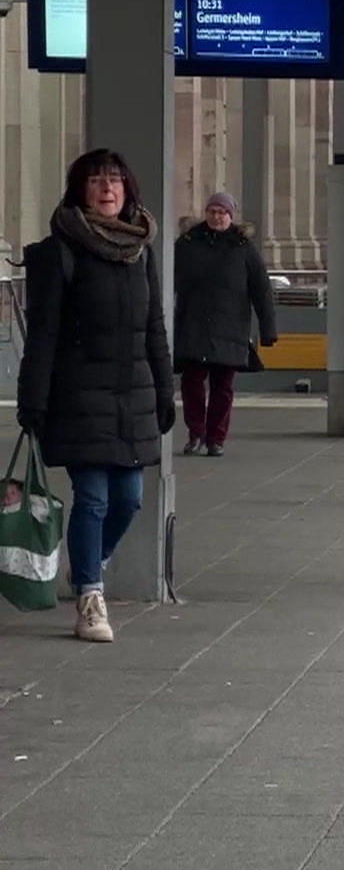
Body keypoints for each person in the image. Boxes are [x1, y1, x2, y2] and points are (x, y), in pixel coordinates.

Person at [15, 149, 174, 642]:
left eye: (115, 181)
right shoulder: (58, 252)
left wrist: (166, 390)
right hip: (77, 393)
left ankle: (89, 562)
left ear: (128, 191)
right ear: (79, 191)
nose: (106, 189)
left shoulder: (141, 251)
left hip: (133, 394)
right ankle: (90, 595)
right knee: (95, 497)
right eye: (95, 181)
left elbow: (154, 327)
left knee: (130, 498)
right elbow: (43, 332)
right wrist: (33, 400)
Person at [173, 192, 277, 456]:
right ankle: (196, 433)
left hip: (230, 328)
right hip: (193, 325)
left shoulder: (243, 248)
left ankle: (215, 438)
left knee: (223, 386)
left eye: (222, 212)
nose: (217, 217)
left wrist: (268, 330)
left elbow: (261, 290)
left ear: (231, 216)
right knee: (192, 382)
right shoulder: (187, 244)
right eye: (212, 211)